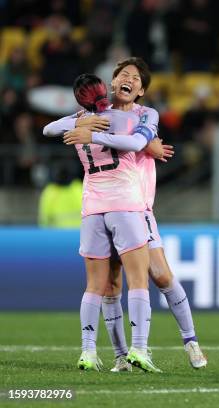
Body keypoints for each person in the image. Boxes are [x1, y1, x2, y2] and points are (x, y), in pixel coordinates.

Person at [62, 58, 207, 370]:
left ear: (141, 90)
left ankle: (191, 341)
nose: (127, 80)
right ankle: (121, 356)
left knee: (162, 276)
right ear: (111, 82)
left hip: (139, 206)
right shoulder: (97, 117)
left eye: (134, 78)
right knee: (112, 286)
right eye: (122, 75)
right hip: (117, 205)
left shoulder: (145, 115)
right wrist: (84, 126)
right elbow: (132, 142)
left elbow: (136, 140)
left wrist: (142, 145)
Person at [43, 74, 161, 372]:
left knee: (95, 285)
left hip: (93, 209)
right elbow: (136, 142)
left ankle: (88, 352)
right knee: (137, 280)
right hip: (125, 205)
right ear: (104, 90)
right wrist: (95, 132)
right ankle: (139, 348)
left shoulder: (78, 121)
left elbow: (48, 129)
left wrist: (81, 125)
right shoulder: (122, 118)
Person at [38, 164, 83, 228]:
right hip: (78, 233)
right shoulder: (79, 188)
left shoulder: (50, 191)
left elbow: (43, 219)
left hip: (56, 235)